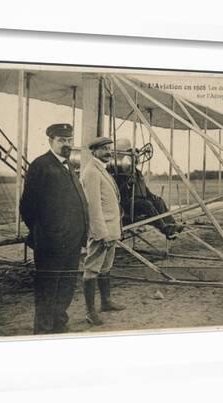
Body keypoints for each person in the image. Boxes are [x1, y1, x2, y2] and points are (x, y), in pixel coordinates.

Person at [19, 123, 89, 334]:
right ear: (50, 141)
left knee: (66, 287)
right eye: (61, 140)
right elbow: (28, 206)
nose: (66, 144)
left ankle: (59, 323)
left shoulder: (68, 166)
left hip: (72, 241)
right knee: (48, 287)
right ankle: (43, 330)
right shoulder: (41, 166)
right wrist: (45, 233)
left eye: (69, 140)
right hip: (51, 243)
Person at [80, 137, 126, 325]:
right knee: (92, 269)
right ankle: (90, 312)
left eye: (109, 148)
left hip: (111, 229)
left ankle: (105, 302)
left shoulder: (101, 170)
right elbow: (93, 207)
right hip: (102, 231)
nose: (108, 152)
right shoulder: (91, 172)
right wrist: (102, 233)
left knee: (105, 268)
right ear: (94, 152)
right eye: (104, 149)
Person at [114, 148, 183, 240]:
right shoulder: (121, 173)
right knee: (147, 204)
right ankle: (164, 228)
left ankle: (172, 225)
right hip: (129, 204)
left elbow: (144, 189)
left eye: (138, 157)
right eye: (134, 157)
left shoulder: (138, 172)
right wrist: (128, 184)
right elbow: (118, 191)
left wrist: (152, 196)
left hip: (141, 201)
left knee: (159, 201)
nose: (137, 159)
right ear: (128, 158)